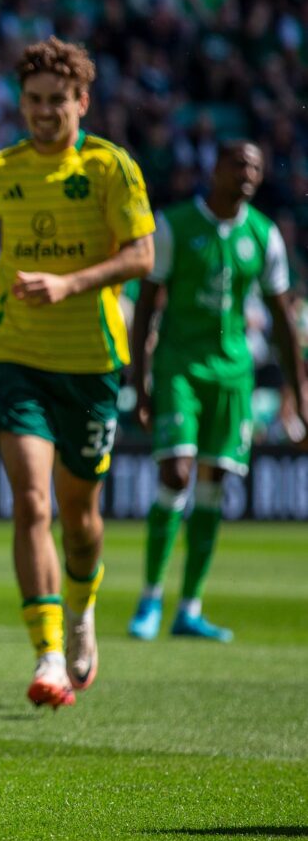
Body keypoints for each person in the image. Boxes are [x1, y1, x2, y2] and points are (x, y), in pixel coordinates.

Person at [0, 37, 155, 709]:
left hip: (89, 367)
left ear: (83, 102)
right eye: (33, 101)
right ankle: (48, 652)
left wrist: (69, 283)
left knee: (81, 519)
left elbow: (140, 256)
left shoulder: (111, 168)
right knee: (32, 501)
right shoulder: (3, 170)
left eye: (58, 100)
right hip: (17, 359)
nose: (45, 112)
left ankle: (81, 609)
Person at [128, 141, 308, 643]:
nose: (248, 173)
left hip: (233, 372)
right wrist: (139, 379)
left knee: (213, 484)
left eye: (256, 166)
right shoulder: (175, 225)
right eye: (239, 164)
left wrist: (301, 394)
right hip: (180, 366)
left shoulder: (264, 235)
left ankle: (189, 606)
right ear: (216, 168)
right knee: (176, 471)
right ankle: (149, 598)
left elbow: (281, 320)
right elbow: (146, 306)